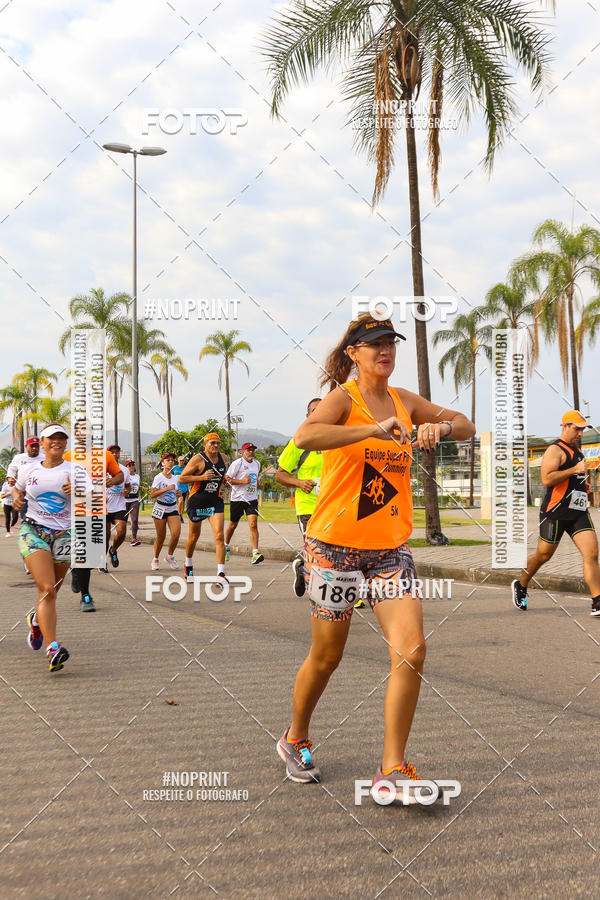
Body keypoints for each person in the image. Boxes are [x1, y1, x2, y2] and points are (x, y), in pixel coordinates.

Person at [275, 314, 475, 802]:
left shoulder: (406, 400)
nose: (384, 349)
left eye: (390, 342)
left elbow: (466, 425)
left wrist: (438, 430)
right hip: (334, 548)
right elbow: (305, 437)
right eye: (374, 344)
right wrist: (371, 430)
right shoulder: (344, 398)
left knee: (412, 650)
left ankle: (393, 767)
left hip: (389, 550)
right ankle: (295, 737)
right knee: (327, 657)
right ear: (354, 353)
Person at [512, 410, 600, 615]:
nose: (580, 433)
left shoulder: (577, 451)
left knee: (592, 553)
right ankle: (521, 584)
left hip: (578, 512)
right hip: (555, 512)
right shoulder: (555, 450)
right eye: (576, 428)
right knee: (544, 555)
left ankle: (597, 601)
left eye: (582, 429)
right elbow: (547, 479)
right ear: (565, 426)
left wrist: (582, 484)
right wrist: (574, 471)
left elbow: (571, 478)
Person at [12, 424, 73, 672]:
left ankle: (36, 621)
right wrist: (16, 497)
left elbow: (93, 497)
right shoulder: (29, 469)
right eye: (51, 438)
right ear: (43, 443)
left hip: (65, 535)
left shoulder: (76, 471)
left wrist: (78, 491)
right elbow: (18, 489)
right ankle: (53, 649)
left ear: (65, 443)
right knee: (47, 587)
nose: (56, 442)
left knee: (53, 592)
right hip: (33, 531)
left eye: (61, 438)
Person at [63, 419, 124, 612]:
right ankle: (86, 596)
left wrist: (111, 481)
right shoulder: (67, 457)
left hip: (99, 510)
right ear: (75, 434)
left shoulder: (104, 455)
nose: (87, 433)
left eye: (90, 430)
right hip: (75, 512)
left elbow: (120, 475)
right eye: (83, 430)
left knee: (96, 554)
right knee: (84, 554)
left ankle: (76, 571)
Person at [276, 399, 322, 597]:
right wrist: (299, 483)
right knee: (316, 550)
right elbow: (280, 474)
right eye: (314, 410)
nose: (319, 413)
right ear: (308, 416)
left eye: (323, 409)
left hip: (335, 506)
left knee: (342, 550)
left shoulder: (338, 440)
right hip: (308, 507)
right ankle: (305, 571)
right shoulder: (299, 441)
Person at [178, 433, 228, 584]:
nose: (216, 446)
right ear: (205, 445)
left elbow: (220, 475)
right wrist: (202, 477)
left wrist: (224, 480)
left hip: (215, 501)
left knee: (219, 536)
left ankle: (220, 574)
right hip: (197, 502)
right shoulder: (198, 459)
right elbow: (182, 478)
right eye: (212, 443)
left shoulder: (223, 457)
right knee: (194, 537)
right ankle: (188, 565)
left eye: (218, 443)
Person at [225, 443, 264, 565]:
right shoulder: (237, 463)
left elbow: (254, 477)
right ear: (243, 451)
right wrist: (242, 481)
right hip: (237, 499)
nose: (251, 452)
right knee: (232, 525)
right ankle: (225, 545)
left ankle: (255, 553)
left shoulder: (257, 464)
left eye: (253, 450)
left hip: (251, 499)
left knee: (253, 524)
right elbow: (226, 480)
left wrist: (258, 483)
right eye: (248, 450)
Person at [150, 452, 181, 570]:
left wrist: (179, 493)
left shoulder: (175, 478)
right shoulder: (158, 477)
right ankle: (155, 559)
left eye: (172, 460)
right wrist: (166, 488)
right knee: (161, 536)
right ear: (162, 463)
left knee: (176, 534)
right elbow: (152, 494)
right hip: (160, 507)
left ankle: (169, 556)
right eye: (167, 460)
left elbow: (176, 492)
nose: (170, 462)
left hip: (172, 507)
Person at [106, 444, 131, 568]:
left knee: (121, 532)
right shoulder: (101, 468)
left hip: (119, 505)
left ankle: (113, 550)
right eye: (112, 452)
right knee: (105, 535)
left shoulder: (124, 470)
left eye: (117, 452)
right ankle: (101, 560)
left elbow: (128, 486)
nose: (115, 454)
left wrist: (127, 491)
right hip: (104, 506)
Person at [8, 436, 45, 520]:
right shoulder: (19, 458)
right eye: (32, 446)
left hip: (40, 496)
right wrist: (10, 478)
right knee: (25, 520)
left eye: (37, 446)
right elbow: (11, 469)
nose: (35, 448)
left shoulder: (44, 458)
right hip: (23, 494)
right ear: (26, 446)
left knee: (41, 521)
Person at [125, 459, 141, 546]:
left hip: (134, 500)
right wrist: (127, 486)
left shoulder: (137, 476)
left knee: (134, 520)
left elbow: (136, 486)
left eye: (133, 465)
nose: (131, 466)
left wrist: (140, 487)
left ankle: (134, 538)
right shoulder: (124, 476)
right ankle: (120, 535)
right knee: (123, 520)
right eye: (129, 465)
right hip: (125, 500)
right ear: (126, 467)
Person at [172, 455, 188, 523]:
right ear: (178, 461)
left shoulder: (186, 468)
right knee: (180, 501)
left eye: (183, 460)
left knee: (182, 503)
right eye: (180, 460)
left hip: (185, 488)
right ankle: (179, 515)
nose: (182, 461)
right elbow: (171, 476)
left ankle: (180, 514)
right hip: (177, 489)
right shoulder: (174, 468)